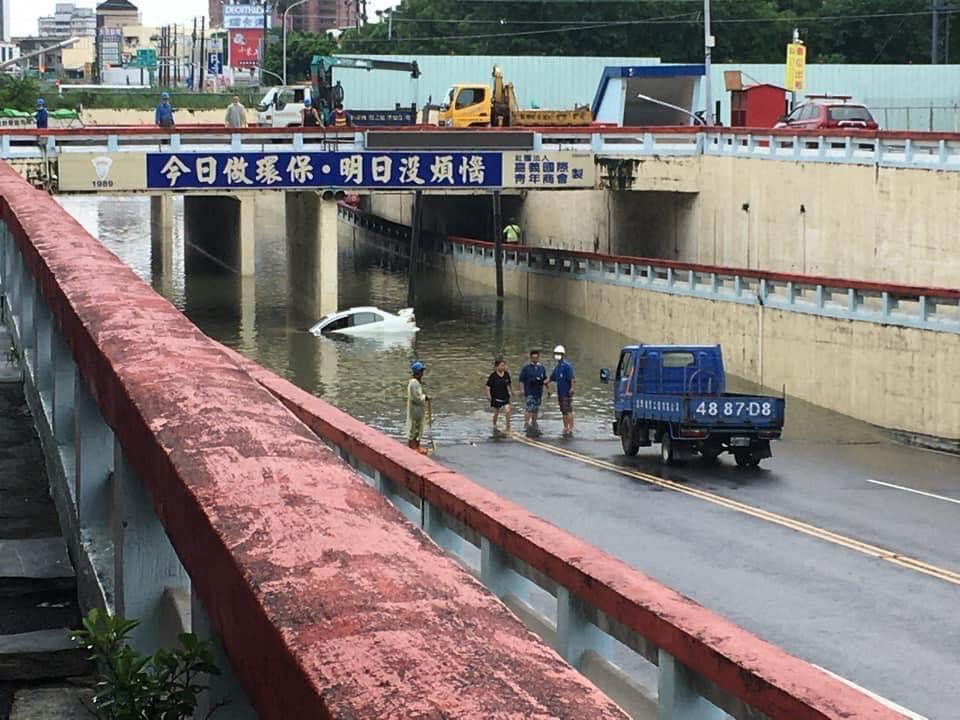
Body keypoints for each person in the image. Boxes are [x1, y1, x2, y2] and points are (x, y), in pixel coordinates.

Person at [519, 349, 547, 434]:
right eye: (533, 358)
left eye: (537, 358)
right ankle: (526, 424)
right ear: (530, 358)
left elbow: (545, 379)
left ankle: (534, 423)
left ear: (539, 358)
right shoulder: (526, 368)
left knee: (535, 409)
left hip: (538, 392)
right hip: (529, 391)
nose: (535, 359)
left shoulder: (541, 368)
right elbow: (521, 380)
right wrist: (522, 390)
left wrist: (548, 389)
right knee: (529, 408)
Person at [550, 345, 576, 437]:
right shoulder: (557, 367)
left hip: (566, 392)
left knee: (568, 410)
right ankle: (565, 427)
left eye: (559, 354)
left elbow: (572, 379)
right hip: (560, 393)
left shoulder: (567, 366)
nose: (557, 355)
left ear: (563, 354)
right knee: (563, 411)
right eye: (556, 354)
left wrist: (572, 388)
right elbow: (551, 378)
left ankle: (570, 427)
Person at [406, 361, 430, 453]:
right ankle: (413, 447)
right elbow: (416, 397)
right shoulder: (414, 383)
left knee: (418, 428)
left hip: (418, 410)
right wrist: (425, 397)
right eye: (421, 372)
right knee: (414, 428)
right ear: (417, 372)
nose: (422, 374)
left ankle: (417, 447)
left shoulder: (416, 382)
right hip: (415, 410)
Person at [485, 358, 512, 435]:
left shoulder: (506, 374)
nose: (503, 367)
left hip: (505, 396)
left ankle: (508, 426)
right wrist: (488, 395)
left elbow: (509, 384)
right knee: (496, 413)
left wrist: (511, 391)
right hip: (496, 396)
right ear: (496, 367)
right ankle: (494, 424)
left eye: (504, 365)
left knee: (507, 410)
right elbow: (487, 386)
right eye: (501, 365)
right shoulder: (493, 376)